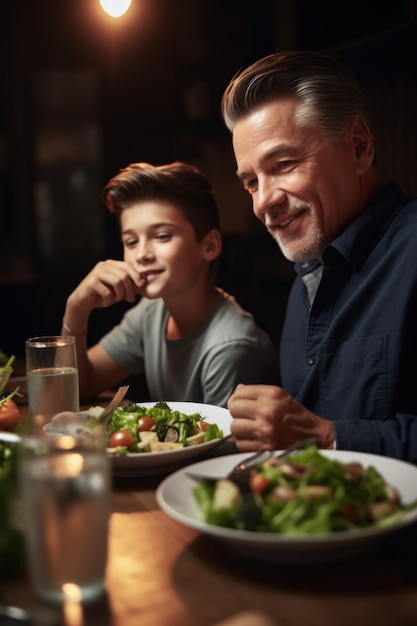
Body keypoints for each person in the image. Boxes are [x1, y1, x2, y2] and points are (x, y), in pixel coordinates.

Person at [221, 50, 417, 462]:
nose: (263, 202)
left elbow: (315, 436)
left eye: (285, 164)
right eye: (251, 182)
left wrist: (327, 438)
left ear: (359, 147)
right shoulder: (306, 278)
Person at [61, 161, 279, 407]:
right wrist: (77, 308)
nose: (142, 254)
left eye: (162, 236)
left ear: (209, 246)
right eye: (131, 242)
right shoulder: (151, 313)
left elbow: (223, 444)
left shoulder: (230, 346)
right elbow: (72, 391)